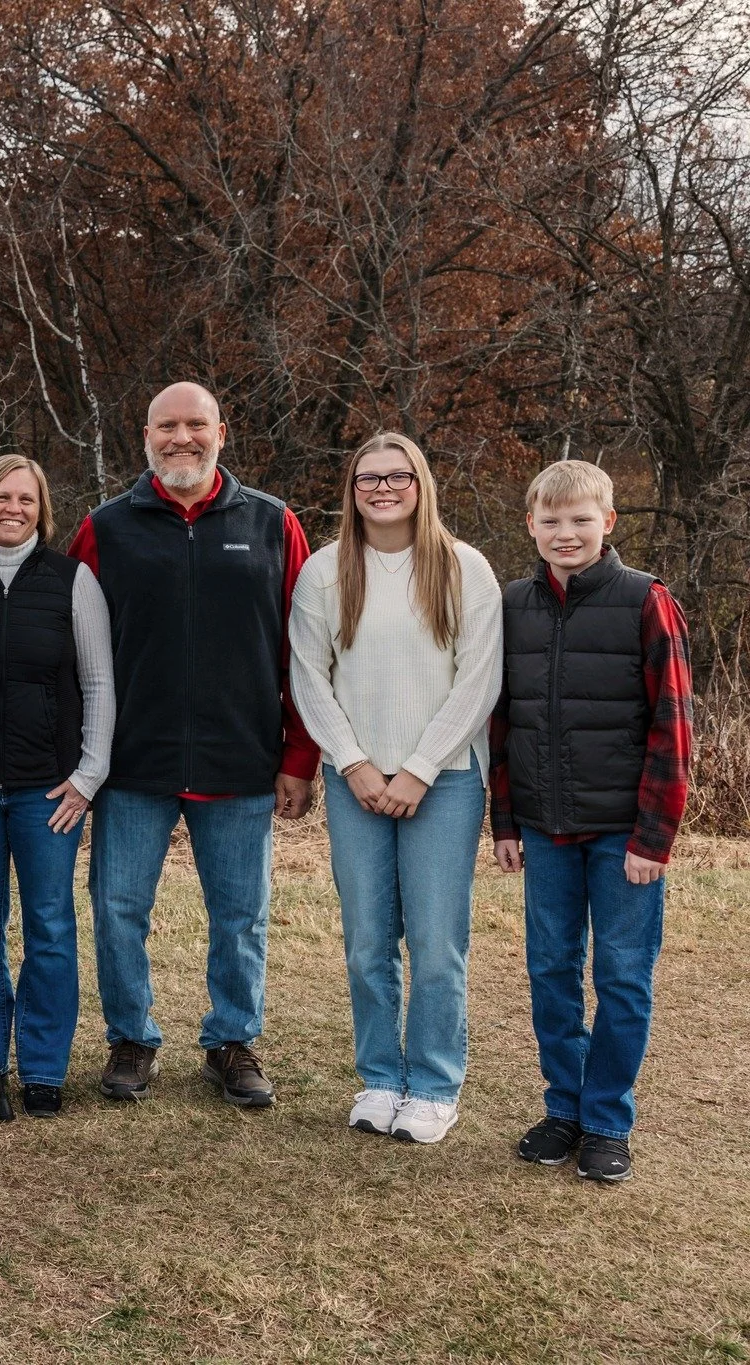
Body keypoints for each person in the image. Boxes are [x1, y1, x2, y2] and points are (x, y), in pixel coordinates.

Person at [66, 381, 319, 1108]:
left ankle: (232, 1040)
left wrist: (298, 757)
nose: (182, 438)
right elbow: (73, 643)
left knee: (240, 911)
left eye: (196, 425)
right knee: (117, 907)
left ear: (222, 432)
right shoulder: (106, 528)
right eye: (166, 427)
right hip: (132, 762)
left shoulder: (273, 524)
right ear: (145, 436)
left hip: (241, 761)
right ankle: (131, 1037)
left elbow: (302, 653)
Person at [289, 433, 502, 1145]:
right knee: (368, 940)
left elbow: (479, 682)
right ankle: (382, 1075)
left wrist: (418, 768)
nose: (382, 488)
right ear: (351, 490)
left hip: (443, 782)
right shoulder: (324, 573)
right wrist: (352, 762)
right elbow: (308, 677)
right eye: (367, 478)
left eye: (397, 475)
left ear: (422, 482)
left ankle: (435, 1084)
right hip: (356, 781)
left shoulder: (464, 568)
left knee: (437, 942)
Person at [491, 459, 691, 1183]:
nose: (565, 532)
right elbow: (503, 721)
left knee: (623, 975)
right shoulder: (513, 604)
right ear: (532, 526)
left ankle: (607, 1119)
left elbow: (674, 724)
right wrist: (505, 821)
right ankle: (564, 1108)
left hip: (623, 834)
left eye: (581, 519)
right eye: (551, 520)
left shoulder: (646, 601)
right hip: (544, 827)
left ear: (608, 522)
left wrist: (653, 837)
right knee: (550, 968)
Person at [0, 455, 114, 1118]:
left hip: (50, 793)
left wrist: (87, 777)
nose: (14, 509)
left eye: (27, 499)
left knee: (48, 924)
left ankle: (42, 1066)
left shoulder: (74, 580)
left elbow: (98, 683)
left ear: (42, 509)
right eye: (0, 497)